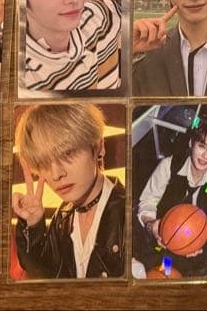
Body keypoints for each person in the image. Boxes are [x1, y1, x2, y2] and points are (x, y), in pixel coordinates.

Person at [12, 103, 125, 279]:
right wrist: (33, 226)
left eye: (68, 153)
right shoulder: (63, 217)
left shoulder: (128, 212)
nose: (56, 174)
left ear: (98, 146)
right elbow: (43, 272)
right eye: (44, 163)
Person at [135, 115, 207, 277]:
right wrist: (152, 225)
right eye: (202, 146)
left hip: (200, 250)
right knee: (159, 273)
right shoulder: (168, 165)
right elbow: (148, 201)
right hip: (162, 242)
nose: (206, 156)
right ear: (191, 143)